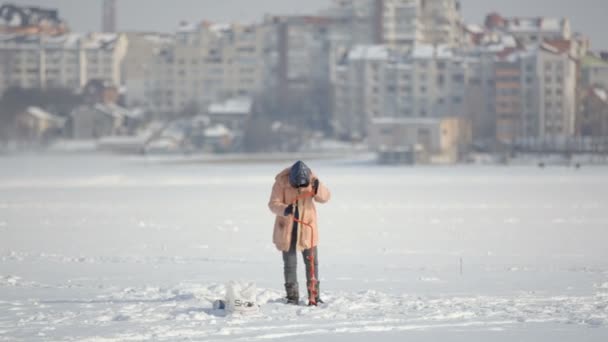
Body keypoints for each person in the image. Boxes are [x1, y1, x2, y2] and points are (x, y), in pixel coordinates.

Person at [268, 160, 331, 305]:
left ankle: (314, 296)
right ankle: (292, 297)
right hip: (287, 229)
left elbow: (325, 198)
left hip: (307, 229)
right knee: (290, 264)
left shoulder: (313, 180)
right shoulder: (281, 182)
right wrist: (285, 209)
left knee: (312, 264)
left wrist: (318, 187)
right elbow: (273, 204)